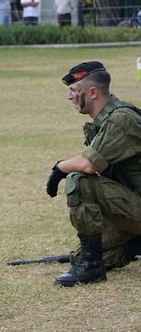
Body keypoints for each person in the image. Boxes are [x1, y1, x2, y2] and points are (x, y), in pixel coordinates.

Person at [45, 62, 141, 286]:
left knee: (79, 180)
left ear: (93, 92)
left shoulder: (121, 119)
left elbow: (88, 165)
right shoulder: (104, 121)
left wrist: (59, 168)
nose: (70, 97)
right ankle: (133, 245)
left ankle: (93, 268)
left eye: (74, 91)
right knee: (80, 256)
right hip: (133, 201)